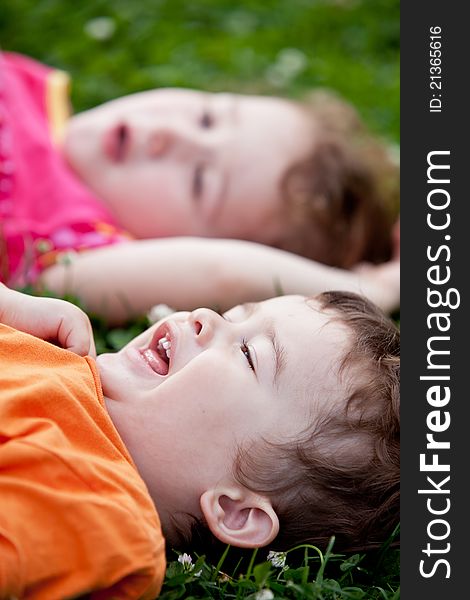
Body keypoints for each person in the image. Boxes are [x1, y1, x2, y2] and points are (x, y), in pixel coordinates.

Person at [0, 281, 400, 598]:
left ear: (235, 511)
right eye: (232, 315)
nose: (205, 316)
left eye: (248, 354)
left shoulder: (99, 516)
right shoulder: (47, 340)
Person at [0, 51, 400, 323]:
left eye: (199, 182)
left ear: (177, 246)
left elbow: (222, 273)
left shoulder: (73, 252)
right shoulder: (28, 88)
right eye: (207, 117)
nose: (169, 135)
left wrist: (371, 289)